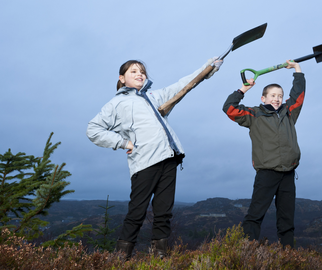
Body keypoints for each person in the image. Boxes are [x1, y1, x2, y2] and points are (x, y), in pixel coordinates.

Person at [87, 57, 222, 259]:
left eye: (142, 71)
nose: (140, 74)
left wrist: (208, 67)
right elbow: (93, 129)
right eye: (133, 71)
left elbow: (182, 85)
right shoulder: (117, 103)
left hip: (169, 158)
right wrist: (123, 143)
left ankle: (159, 255)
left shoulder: (153, 96)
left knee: (164, 212)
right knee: (137, 211)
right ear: (122, 78)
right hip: (144, 162)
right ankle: (121, 257)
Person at [222, 60, 305, 248]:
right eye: (273, 95)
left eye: (280, 95)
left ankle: (288, 254)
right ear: (263, 98)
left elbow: (298, 96)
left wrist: (297, 70)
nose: (277, 98)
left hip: (288, 173)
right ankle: (247, 251)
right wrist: (242, 90)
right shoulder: (254, 114)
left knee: (286, 218)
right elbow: (229, 108)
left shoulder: (289, 113)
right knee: (255, 214)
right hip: (267, 173)